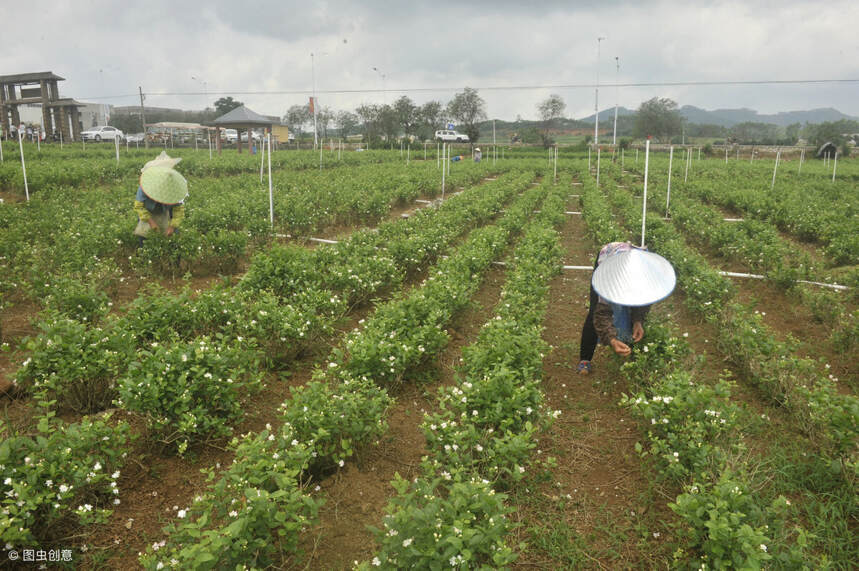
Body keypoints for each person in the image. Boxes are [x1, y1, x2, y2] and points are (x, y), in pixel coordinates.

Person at [577, 242, 676, 374]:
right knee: (594, 311)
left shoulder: (649, 277)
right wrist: (611, 339)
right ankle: (585, 359)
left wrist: (637, 321)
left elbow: (643, 302)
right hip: (609, 255)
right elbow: (601, 312)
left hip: (632, 258)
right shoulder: (609, 277)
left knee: (631, 309)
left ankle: (627, 347)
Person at [133, 152, 188, 244]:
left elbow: (178, 209)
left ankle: (172, 254)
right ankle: (143, 252)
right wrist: (151, 222)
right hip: (147, 212)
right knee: (145, 237)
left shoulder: (174, 186)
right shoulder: (146, 185)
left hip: (165, 211)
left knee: (172, 237)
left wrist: (172, 227)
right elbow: (139, 206)